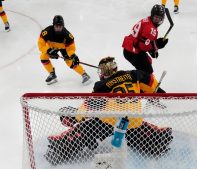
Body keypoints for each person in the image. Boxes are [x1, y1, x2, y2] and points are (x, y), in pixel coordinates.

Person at [44, 56, 173, 165]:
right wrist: (155, 89)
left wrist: (75, 118)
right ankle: (156, 138)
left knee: (86, 127)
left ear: (103, 72)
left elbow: (88, 108)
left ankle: (61, 146)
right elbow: (152, 85)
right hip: (134, 120)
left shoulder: (101, 86)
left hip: (109, 122)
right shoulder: (134, 74)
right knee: (133, 126)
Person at [38, 15, 91, 85]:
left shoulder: (68, 36)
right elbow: (41, 44)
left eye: (60, 26)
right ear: (53, 25)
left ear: (63, 26)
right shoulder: (46, 32)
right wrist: (48, 50)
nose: (58, 28)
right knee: (43, 57)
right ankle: (52, 74)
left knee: (69, 61)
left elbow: (70, 49)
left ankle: (84, 74)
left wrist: (73, 56)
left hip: (64, 47)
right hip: (51, 47)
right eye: (56, 26)